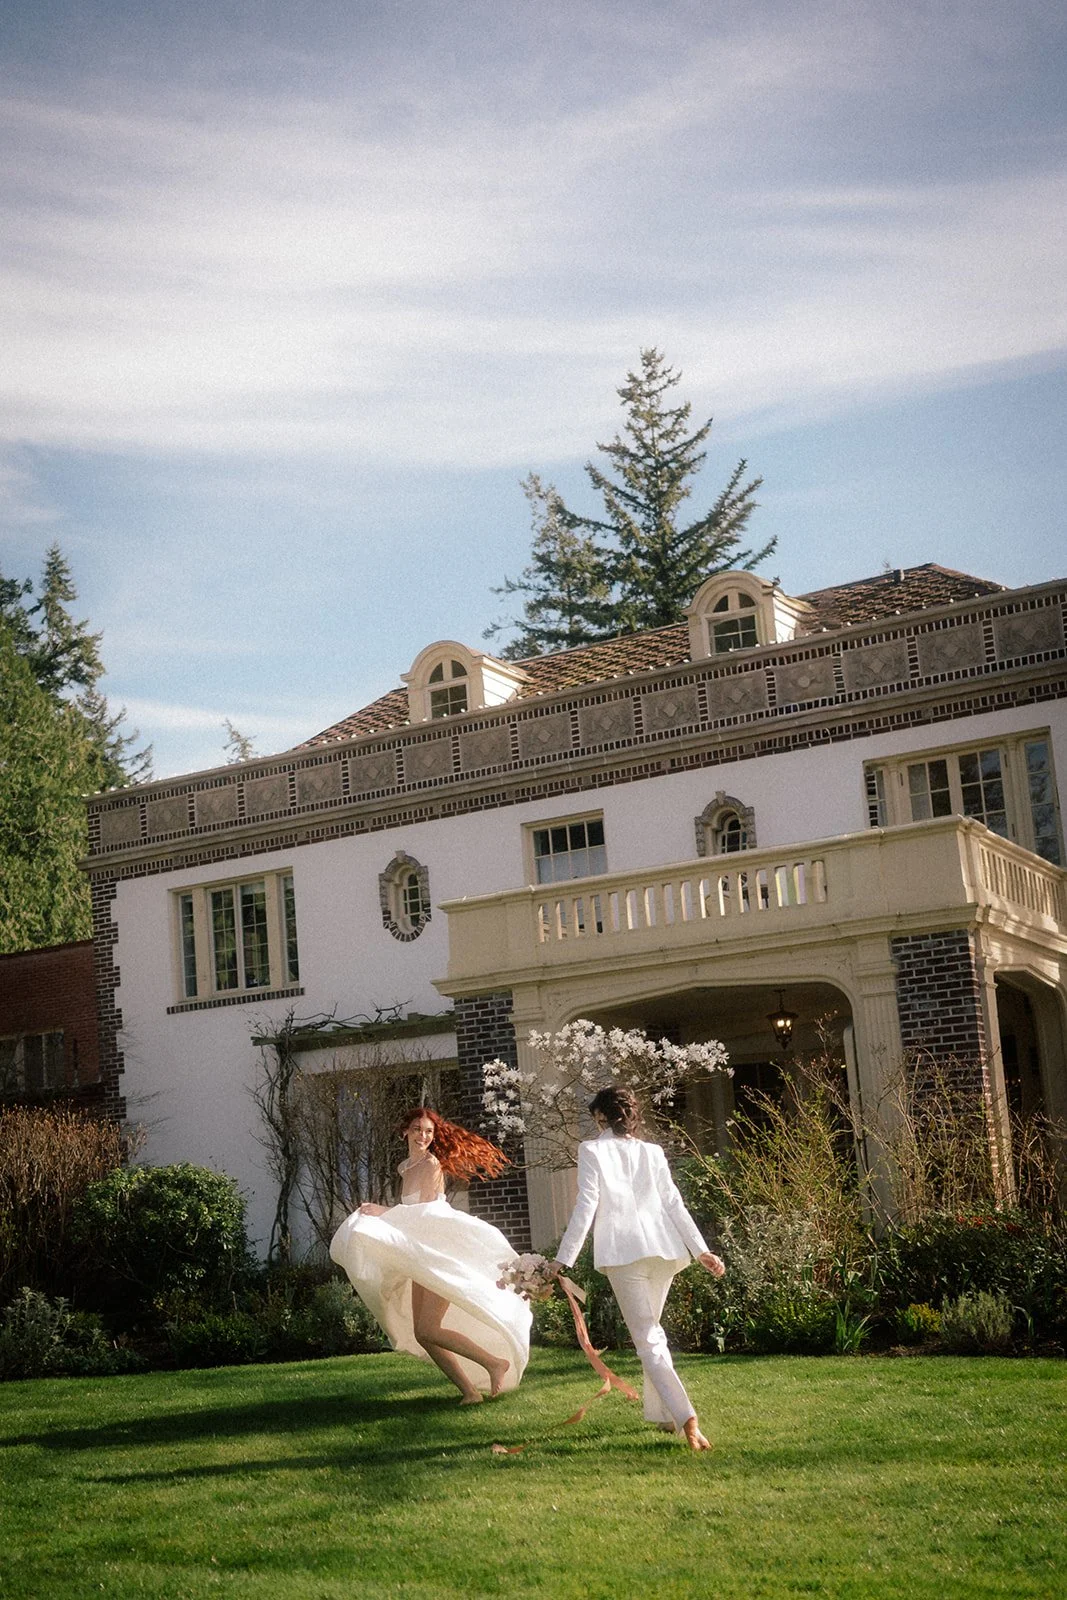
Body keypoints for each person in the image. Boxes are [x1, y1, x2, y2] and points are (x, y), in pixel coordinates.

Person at [550, 1084, 725, 1451]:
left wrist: (562, 1259)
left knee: (648, 1340)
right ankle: (663, 1415)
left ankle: (686, 1416)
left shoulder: (592, 1149)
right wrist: (700, 1250)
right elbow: (674, 1203)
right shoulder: (653, 1151)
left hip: (625, 1254)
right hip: (663, 1251)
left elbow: (587, 1206)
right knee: (653, 1333)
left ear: (601, 1117)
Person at [330, 1106, 531, 1405]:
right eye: (416, 1129)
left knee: (428, 1328)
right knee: (423, 1332)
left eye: (428, 1131)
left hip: (441, 1251)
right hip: (422, 1254)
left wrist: (384, 1212)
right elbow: (412, 1216)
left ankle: (493, 1362)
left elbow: (426, 1214)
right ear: (405, 1132)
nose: (422, 1136)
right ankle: (470, 1391)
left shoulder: (431, 1165)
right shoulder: (406, 1167)